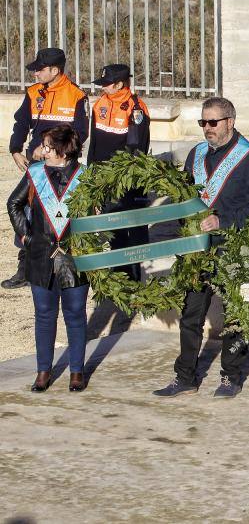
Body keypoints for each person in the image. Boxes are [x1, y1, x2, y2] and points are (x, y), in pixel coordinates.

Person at [153, 97, 249, 398]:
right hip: (199, 251)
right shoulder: (196, 154)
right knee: (191, 313)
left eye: (212, 122)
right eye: (202, 122)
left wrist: (223, 221)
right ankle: (186, 377)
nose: (207, 128)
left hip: (234, 250)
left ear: (230, 122)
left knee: (235, 317)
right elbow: (187, 197)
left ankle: (231, 377)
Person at [7, 125, 90, 392]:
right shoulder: (35, 174)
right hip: (40, 255)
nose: (42, 150)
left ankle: (76, 371)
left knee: (75, 314)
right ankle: (43, 371)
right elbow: (14, 204)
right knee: (44, 315)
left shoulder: (85, 176)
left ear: (62, 150)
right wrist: (27, 237)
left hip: (74, 256)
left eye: (46, 146)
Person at [5, 48, 88, 289]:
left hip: (62, 166)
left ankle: (64, 265)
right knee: (29, 213)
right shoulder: (33, 93)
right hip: (37, 163)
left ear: (55, 70)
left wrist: (52, 149)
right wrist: (15, 149)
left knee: (58, 216)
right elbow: (21, 123)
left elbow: (81, 134)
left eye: (40, 69)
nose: (35, 73)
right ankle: (25, 268)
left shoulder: (76, 95)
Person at [87, 64, 151, 282]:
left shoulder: (136, 109)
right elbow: (94, 144)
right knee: (112, 229)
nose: (102, 88)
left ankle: (134, 278)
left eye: (106, 84)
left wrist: (120, 180)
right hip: (103, 178)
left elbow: (136, 149)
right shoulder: (100, 105)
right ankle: (119, 274)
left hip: (125, 180)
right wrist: (91, 174)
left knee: (131, 229)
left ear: (120, 84)